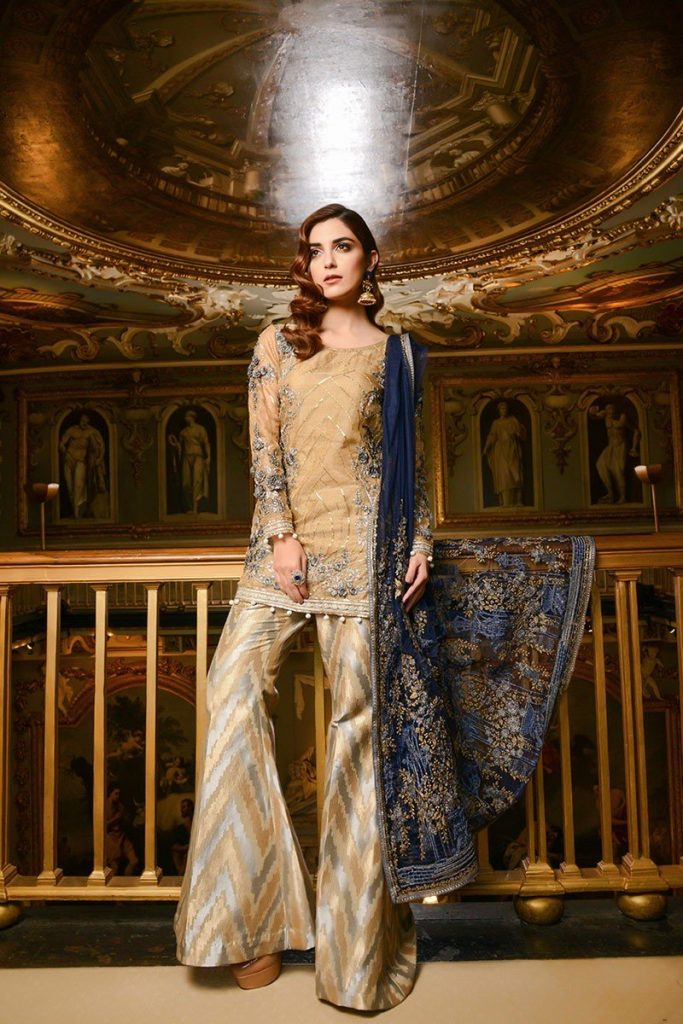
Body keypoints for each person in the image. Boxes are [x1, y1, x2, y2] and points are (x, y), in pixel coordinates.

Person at [173, 204, 431, 1010]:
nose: (327, 261)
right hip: (281, 554)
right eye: (314, 250)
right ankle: (251, 923)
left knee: (357, 735)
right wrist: (281, 534)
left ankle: (354, 954)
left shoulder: (398, 354)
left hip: (367, 552)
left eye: (342, 246)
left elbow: (410, 461)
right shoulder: (278, 343)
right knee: (232, 691)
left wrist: (420, 540)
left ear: (369, 259)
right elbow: (264, 450)